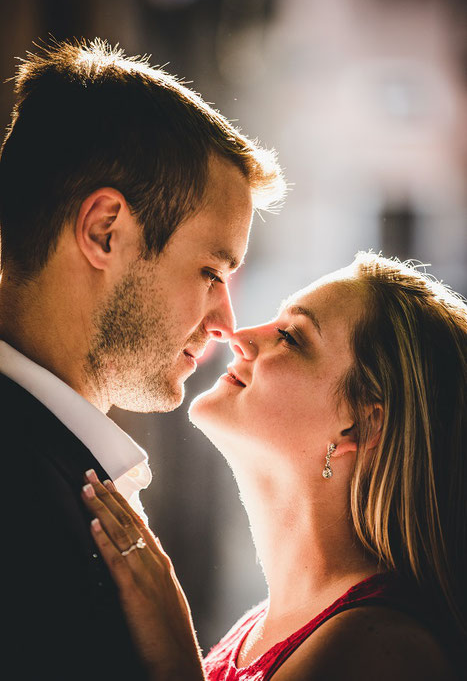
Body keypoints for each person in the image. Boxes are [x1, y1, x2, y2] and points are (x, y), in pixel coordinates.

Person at [0, 38, 284, 679]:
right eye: (211, 270)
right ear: (105, 231)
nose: (224, 325)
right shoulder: (28, 506)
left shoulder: (54, 472)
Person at [81, 252, 466, 680]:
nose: (239, 335)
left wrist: (175, 664)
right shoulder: (264, 625)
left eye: (291, 337)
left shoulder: (378, 649)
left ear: (359, 424)